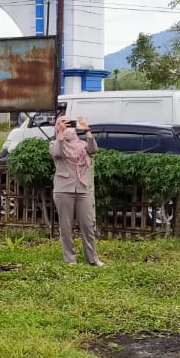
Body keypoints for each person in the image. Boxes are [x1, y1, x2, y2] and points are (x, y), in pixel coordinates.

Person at [50, 114, 105, 266]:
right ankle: (70, 259)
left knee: (88, 225)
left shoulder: (82, 145)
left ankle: (93, 258)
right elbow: (57, 153)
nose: (67, 128)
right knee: (66, 227)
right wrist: (60, 135)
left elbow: (93, 150)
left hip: (83, 189)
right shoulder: (55, 143)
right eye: (63, 124)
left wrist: (87, 130)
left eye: (69, 125)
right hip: (63, 190)